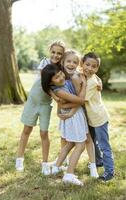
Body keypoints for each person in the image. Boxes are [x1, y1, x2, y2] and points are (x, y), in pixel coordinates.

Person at [41, 62, 98, 186]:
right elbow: (81, 100)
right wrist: (84, 84)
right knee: (80, 145)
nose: (61, 77)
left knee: (71, 143)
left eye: (61, 74)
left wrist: (63, 105)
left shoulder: (60, 85)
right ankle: (69, 174)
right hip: (74, 118)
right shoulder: (60, 91)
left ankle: (56, 166)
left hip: (74, 115)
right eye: (56, 77)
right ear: (51, 82)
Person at [15, 40, 65, 175]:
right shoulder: (44, 63)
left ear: (63, 55)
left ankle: (44, 163)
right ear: (50, 52)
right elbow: (45, 83)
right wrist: (54, 96)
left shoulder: (61, 69)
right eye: (53, 52)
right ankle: (19, 158)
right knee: (27, 129)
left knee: (44, 133)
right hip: (33, 101)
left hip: (44, 105)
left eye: (59, 53)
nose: (56, 55)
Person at [55, 50, 99, 178]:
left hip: (79, 110)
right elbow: (78, 99)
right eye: (68, 61)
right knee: (76, 140)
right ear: (63, 62)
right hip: (75, 112)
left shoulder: (76, 75)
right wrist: (61, 109)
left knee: (87, 139)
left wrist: (98, 81)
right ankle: (62, 166)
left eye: (75, 62)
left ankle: (92, 166)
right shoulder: (63, 77)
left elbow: (81, 98)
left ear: (78, 64)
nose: (71, 64)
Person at [81, 52, 114, 181]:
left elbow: (82, 99)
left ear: (97, 69)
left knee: (103, 145)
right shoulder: (89, 77)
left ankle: (109, 171)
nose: (89, 68)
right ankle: (98, 161)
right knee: (92, 142)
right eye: (87, 64)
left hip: (99, 118)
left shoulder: (92, 82)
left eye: (93, 66)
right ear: (82, 64)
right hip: (91, 118)